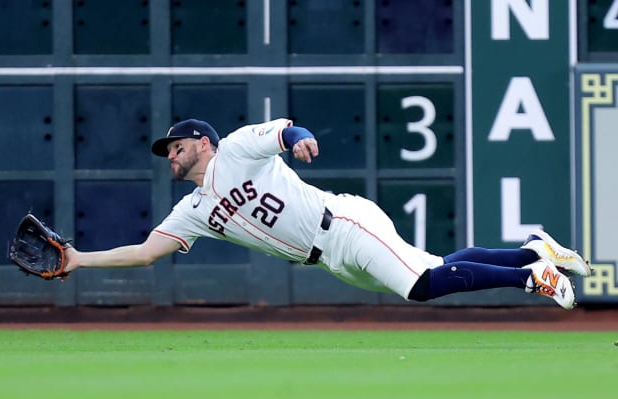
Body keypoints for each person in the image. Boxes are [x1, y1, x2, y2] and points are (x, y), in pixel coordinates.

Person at [64, 118, 592, 310]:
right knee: (436, 266)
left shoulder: (237, 149)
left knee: (422, 287)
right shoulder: (193, 209)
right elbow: (144, 253)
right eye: (168, 152)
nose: (171, 156)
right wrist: (80, 260)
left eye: (176, 147)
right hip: (331, 260)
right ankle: (533, 250)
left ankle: (530, 278)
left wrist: (301, 139)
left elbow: (285, 131)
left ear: (202, 143)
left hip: (342, 223)